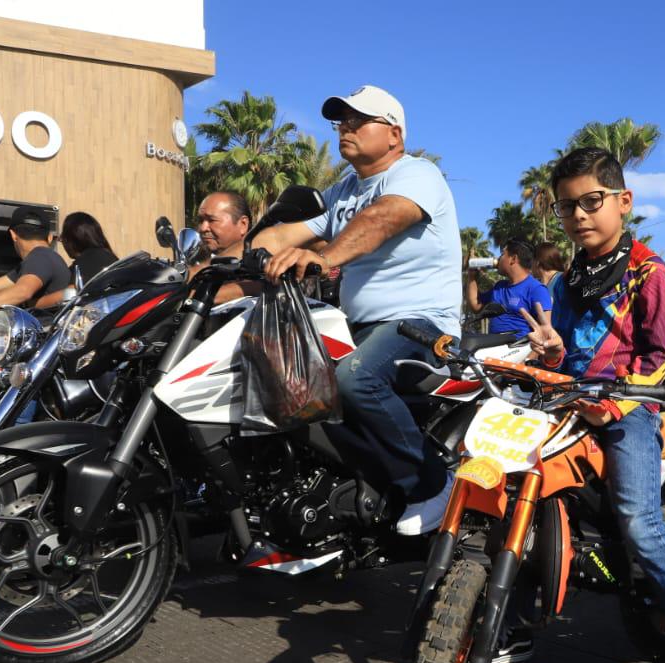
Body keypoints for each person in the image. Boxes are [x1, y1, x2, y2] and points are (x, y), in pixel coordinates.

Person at [519, 147, 665, 663]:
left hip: (629, 407)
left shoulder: (648, 272)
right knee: (508, 484)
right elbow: (565, 349)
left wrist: (610, 400)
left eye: (592, 202)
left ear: (623, 202)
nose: (579, 216)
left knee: (640, 521)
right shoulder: (565, 280)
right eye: (567, 208)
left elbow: (659, 358)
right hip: (568, 400)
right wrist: (551, 352)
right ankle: (508, 613)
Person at [256, 84, 462, 536]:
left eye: (357, 120)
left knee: (353, 378)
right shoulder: (343, 189)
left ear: (394, 134)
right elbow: (283, 236)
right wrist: (207, 269)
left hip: (421, 325)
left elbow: (381, 218)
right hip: (360, 327)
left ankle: (433, 484)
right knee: (297, 386)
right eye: (341, 121)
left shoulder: (416, 174)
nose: (344, 128)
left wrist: (326, 257)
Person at [0, 206, 68, 316]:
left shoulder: (40, 256)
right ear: (49, 237)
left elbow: (22, 291)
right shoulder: (44, 260)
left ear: (13, 235)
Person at [463, 238, 551, 335]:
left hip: (521, 348)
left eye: (503, 254)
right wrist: (471, 277)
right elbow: (476, 305)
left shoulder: (536, 289)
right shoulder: (499, 287)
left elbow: (546, 332)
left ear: (513, 259)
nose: (499, 259)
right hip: (493, 347)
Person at [35, 211, 117, 309]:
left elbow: (73, 292)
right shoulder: (105, 256)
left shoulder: (93, 257)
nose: (63, 243)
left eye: (62, 238)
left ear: (72, 238)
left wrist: (36, 304)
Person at [193, 191, 261, 303]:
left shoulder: (261, 265)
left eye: (212, 220)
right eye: (201, 221)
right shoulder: (198, 262)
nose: (203, 228)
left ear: (243, 224)